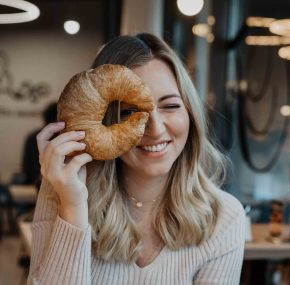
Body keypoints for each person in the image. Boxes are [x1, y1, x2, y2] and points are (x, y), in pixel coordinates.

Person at [28, 33, 246, 285]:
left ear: (190, 113)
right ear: (105, 119)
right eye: (129, 111)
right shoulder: (61, 197)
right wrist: (74, 207)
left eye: (170, 105)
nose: (155, 128)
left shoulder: (225, 217)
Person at [22, 102, 57, 188]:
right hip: (47, 183)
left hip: (34, 183)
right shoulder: (60, 138)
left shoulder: (34, 136)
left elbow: (27, 166)